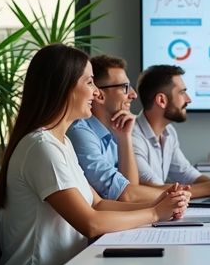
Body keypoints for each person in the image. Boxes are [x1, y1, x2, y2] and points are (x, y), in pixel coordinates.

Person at [0, 44, 190, 265]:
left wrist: (161, 203)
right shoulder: (41, 148)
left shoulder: (61, 143)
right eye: (89, 83)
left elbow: (97, 204)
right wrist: (153, 214)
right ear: (64, 87)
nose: (96, 93)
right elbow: (91, 223)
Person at [67, 55, 176, 202]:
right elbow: (126, 195)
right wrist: (176, 196)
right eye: (125, 88)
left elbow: (130, 186)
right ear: (99, 95)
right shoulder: (80, 133)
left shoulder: (115, 131)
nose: (133, 94)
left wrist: (125, 137)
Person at [132, 65, 210, 197]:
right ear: (161, 100)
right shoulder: (133, 137)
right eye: (182, 92)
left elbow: (187, 175)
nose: (189, 99)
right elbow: (155, 190)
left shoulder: (168, 132)